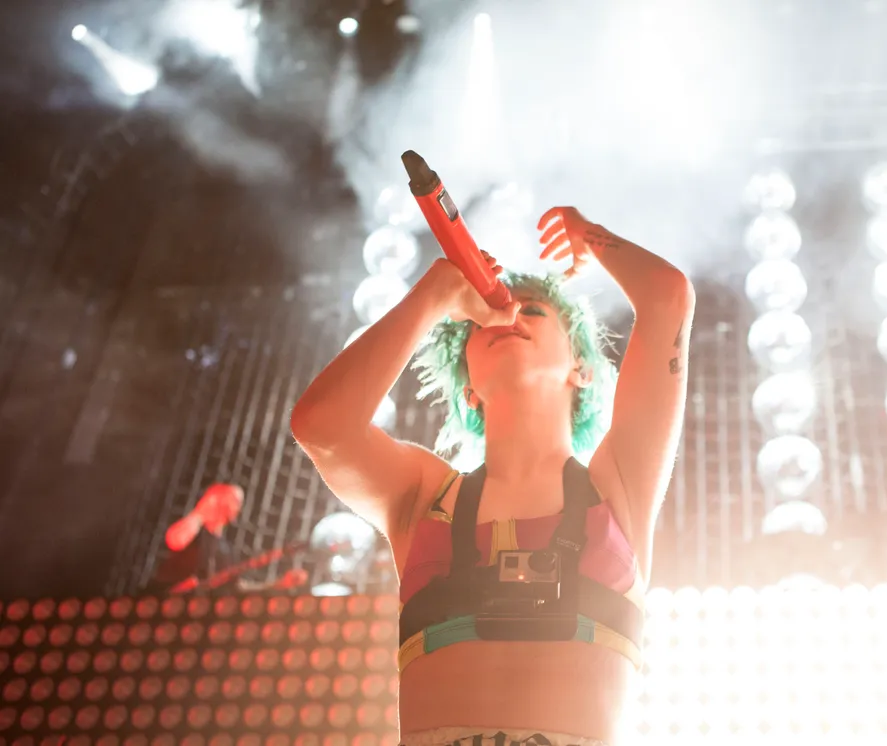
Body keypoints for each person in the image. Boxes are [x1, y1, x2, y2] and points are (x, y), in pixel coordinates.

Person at [291, 206, 693, 746]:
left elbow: (668, 299)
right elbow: (322, 428)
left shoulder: (617, 487)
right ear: (469, 390)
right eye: (483, 319)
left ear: (583, 369)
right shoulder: (423, 497)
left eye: (534, 311)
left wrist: (590, 237)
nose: (508, 317)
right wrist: (432, 297)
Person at [149, 483, 307, 594]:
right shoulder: (196, 530)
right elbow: (175, 540)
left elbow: (236, 588)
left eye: (238, 502)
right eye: (234, 499)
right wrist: (202, 510)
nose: (237, 506)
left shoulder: (226, 549)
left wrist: (278, 584)